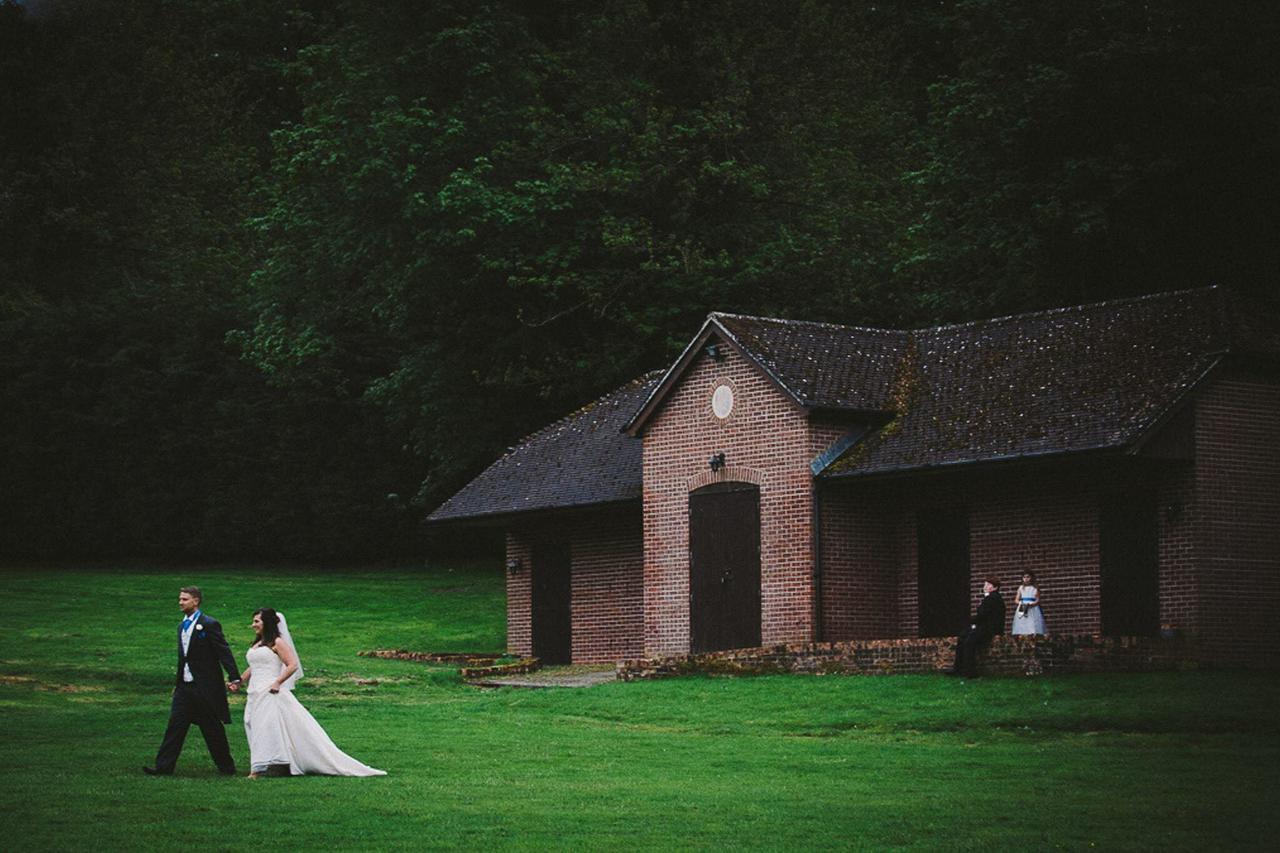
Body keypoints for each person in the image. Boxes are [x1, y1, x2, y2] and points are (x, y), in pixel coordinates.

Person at [240, 608, 386, 778]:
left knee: (267, 725)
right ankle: (271, 762)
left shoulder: (278, 642)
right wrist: (240, 680)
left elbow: (292, 664)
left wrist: (278, 682)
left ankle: (258, 769)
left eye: (257, 621)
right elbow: (255, 665)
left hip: (270, 689)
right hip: (254, 690)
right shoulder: (258, 644)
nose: (253, 625)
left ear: (267, 623)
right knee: (251, 722)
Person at [144, 586, 241, 775]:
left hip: (204, 688)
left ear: (195, 601)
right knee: (175, 726)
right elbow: (183, 658)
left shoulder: (209, 624)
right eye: (180, 599)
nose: (180, 602)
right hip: (185, 688)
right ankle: (163, 767)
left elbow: (223, 651)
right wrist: (178, 683)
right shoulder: (181, 626)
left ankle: (227, 768)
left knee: (212, 729)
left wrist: (234, 676)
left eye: (184, 599)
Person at [948, 578, 1007, 678]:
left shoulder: (992, 598)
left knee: (969, 642)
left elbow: (983, 615)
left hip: (989, 628)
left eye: (988, 585)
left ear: (995, 587)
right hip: (986, 626)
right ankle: (959, 669)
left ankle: (969, 672)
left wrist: (971, 621)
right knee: (963, 637)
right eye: (985, 584)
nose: (985, 586)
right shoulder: (991, 598)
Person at [1011, 571, 1047, 636]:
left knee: (1033, 624)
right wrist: (1021, 603)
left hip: (1033, 608)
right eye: (1024, 577)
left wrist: (1032, 604)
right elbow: (1016, 599)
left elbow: (1037, 600)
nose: (1026, 579)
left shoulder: (1035, 588)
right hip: (1023, 607)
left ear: (1031, 578)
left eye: (1028, 577)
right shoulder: (1021, 588)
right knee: (1022, 624)